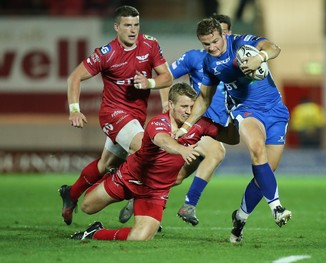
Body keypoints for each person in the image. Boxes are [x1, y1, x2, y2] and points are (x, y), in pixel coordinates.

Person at [174, 18, 292, 243]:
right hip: (245, 109)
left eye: (215, 41)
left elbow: (273, 48)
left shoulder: (241, 44)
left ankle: (240, 218)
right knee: (257, 149)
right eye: (206, 44)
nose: (212, 48)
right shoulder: (209, 63)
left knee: (265, 172)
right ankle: (277, 207)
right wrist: (187, 125)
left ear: (224, 35)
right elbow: (204, 98)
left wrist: (260, 57)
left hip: (275, 111)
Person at [70, 82, 235, 241]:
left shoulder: (199, 124)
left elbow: (231, 138)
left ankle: (94, 233)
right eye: (184, 106)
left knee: (140, 237)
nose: (188, 111)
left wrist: (235, 113)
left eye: (192, 107)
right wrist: (181, 149)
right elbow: (162, 140)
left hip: (155, 192)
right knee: (87, 207)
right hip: (130, 177)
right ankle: (110, 176)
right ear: (170, 105)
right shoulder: (158, 122)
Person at [59, 5, 173, 225]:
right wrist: (74, 109)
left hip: (136, 117)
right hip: (113, 114)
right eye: (127, 25)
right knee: (145, 148)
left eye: (136, 25)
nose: (133, 30)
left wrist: (150, 84)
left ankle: (70, 194)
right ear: (116, 27)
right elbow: (74, 77)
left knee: (104, 165)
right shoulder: (107, 53)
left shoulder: (150, 44)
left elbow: (166, 77)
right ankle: (140, 201)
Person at [118, 14, 233, 226]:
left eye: (224, 33)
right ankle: (189, 205)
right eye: (217, 34)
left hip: (216, 127)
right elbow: (167, 77)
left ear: (229, 34)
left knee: (177, 177)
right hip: (196, 122)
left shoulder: (235, 63)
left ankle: (140, 195)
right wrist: (158, 93)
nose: (219, 39)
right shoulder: (195, 58)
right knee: (217, 153)